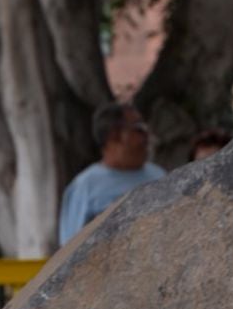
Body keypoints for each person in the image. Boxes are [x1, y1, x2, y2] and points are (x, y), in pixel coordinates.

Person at [58, 102, 165, 246]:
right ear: (114, 135)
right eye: (138, 128)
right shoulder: (85, 187)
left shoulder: (159, 176)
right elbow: (69, 251)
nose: (146, 135)